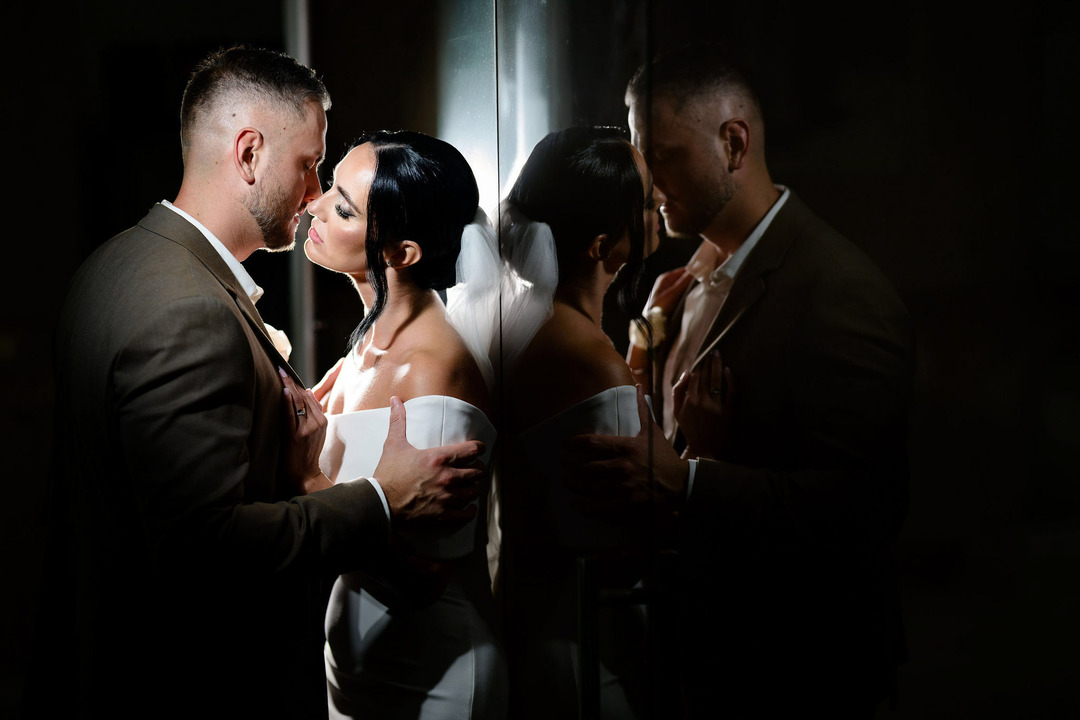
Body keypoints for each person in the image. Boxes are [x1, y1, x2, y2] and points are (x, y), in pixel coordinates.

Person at [30, 47, 483, 719]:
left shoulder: (117, 263)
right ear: (248, 155)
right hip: (183, 680)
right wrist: (378, 499)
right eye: (308, 166)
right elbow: (205, 549)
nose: (314, 194)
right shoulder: (188, 311)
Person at [564, 45, 915, 717]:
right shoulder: (684, 279)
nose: (646, 183)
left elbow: (869, 507)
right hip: (699, 648)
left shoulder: (839, 291)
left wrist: (690, 480)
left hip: (801, 663)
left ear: (733, 144)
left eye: (662, 156)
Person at [303, 130, 508, 720]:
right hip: (361, 669)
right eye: (329, 188)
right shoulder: (366, 346)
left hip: (430, 677)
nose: (315, 206)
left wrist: (309, 483)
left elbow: (424, 578)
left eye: (344, 208)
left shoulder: (431, 373)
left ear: (401, 252)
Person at [495, 126, 664, 719]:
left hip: (528, 627)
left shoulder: (521, 321)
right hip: (587, 651)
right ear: (602, 245)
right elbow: (627, 551)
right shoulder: (589, 359)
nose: (660, 207)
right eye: (647, 202)